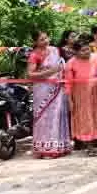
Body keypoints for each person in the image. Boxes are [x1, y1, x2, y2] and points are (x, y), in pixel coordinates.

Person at [27, 30, 72, 159]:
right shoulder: (34, 55)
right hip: (42, 90)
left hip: (58, 88)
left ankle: (60, 147)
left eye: (46, 38)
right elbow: (30, 74)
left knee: (58, 116)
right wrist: (50, 72)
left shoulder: (55, 50)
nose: (46, 41)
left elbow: (62, 66)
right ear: (35, 42)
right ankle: (45, 149)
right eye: (41, 39)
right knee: (44, 119)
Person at [64, 36, 97, 155]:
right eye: (83, 50)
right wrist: (70, 100)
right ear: (76, 52)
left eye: (88, 49)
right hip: (80, 96)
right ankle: (89, 146)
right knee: (85, 118)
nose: (86, 52)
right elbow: (68, 84)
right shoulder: (71, 63)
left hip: (96, 93)